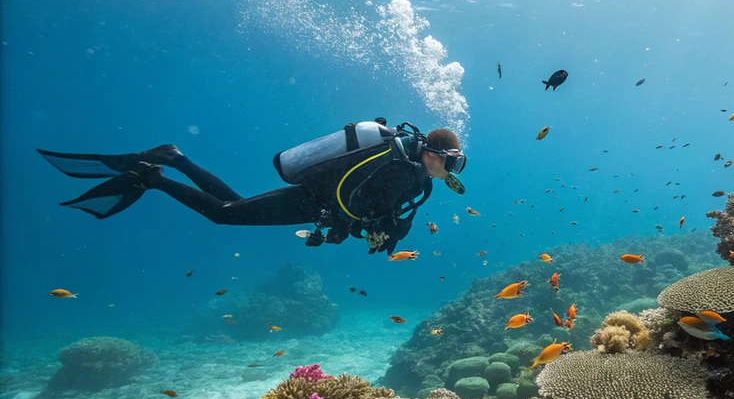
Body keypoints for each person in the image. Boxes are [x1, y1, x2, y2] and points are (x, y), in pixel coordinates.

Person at [37, 119, 467, 255]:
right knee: (224, 214)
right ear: (431, 151)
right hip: (312, 199)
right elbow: (352, 199)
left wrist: (363, 226)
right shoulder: (398, 165)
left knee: (233, 206)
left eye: (456, 165)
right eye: (448, 162)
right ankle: (157, 175)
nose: (450, 170)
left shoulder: (417, 177)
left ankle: (175, 159)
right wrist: (349, 226)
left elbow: (371, 209)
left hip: (318, 205)